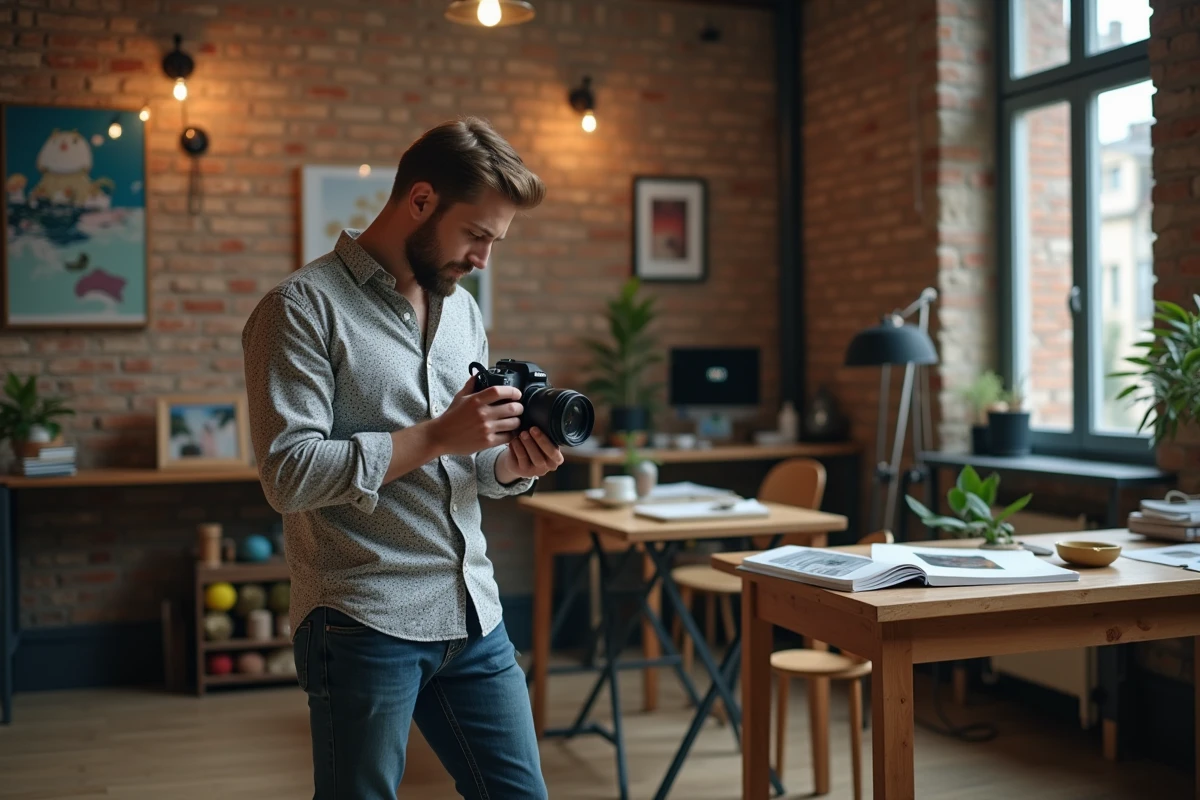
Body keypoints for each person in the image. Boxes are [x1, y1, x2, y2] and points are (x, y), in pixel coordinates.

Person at [241, 117, 559, 800]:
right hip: (362, 619)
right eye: (477, 235)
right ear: (420, 201)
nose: (483, 259)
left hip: (474, 611)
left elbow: (465, 466)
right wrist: (439, 435)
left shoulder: (463, 312)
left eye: (495, 242)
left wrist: (511, 465)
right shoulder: (299, 308)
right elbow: (287, 475)